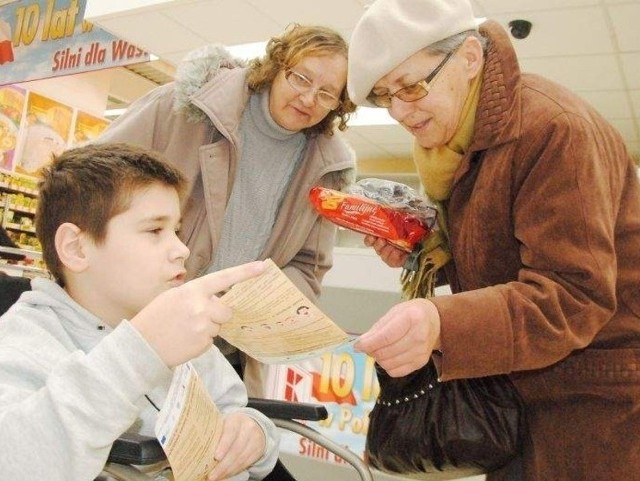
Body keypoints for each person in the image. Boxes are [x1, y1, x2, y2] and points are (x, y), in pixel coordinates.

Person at [347, 1, 640, 480]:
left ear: (468, 58)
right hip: (514, 393)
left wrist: (441, 322)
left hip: (590, 408)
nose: (399, 110)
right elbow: (502, 249)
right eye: (384, 96)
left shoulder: (554, 129)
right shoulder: (457, 143)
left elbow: (576, 296)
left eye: (411, 86)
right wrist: (425, 253)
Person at [97, 23, 356, 397]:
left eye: (327, 94)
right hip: (135, 328)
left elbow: (308, 265)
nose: (309, 98)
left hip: (225, 355)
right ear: (276, 65)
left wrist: (252, 308)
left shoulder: (326, 171)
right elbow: (85, 183)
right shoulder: (183, 110)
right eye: (301, 78)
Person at [0, 143, 279, 481]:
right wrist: (140, 352)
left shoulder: (184, 330)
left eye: (176, 230)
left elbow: (234, 406)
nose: (182, 249)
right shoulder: (22, 344)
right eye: (154, 230)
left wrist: (255, 433)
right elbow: (15, 463)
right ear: (76, 248)